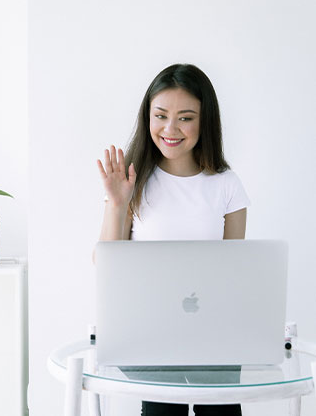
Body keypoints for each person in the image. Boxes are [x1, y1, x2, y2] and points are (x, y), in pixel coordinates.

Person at [95, 63, 251, 416]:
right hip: (150, 330)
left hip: (213, 329)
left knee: (222, 411)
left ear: (204, 121)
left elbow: (238, 270)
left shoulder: (227, 184)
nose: (170, 129)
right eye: (160, 115)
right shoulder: (131, 180)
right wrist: (117, 203)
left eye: (185, 118)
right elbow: (106, 267)